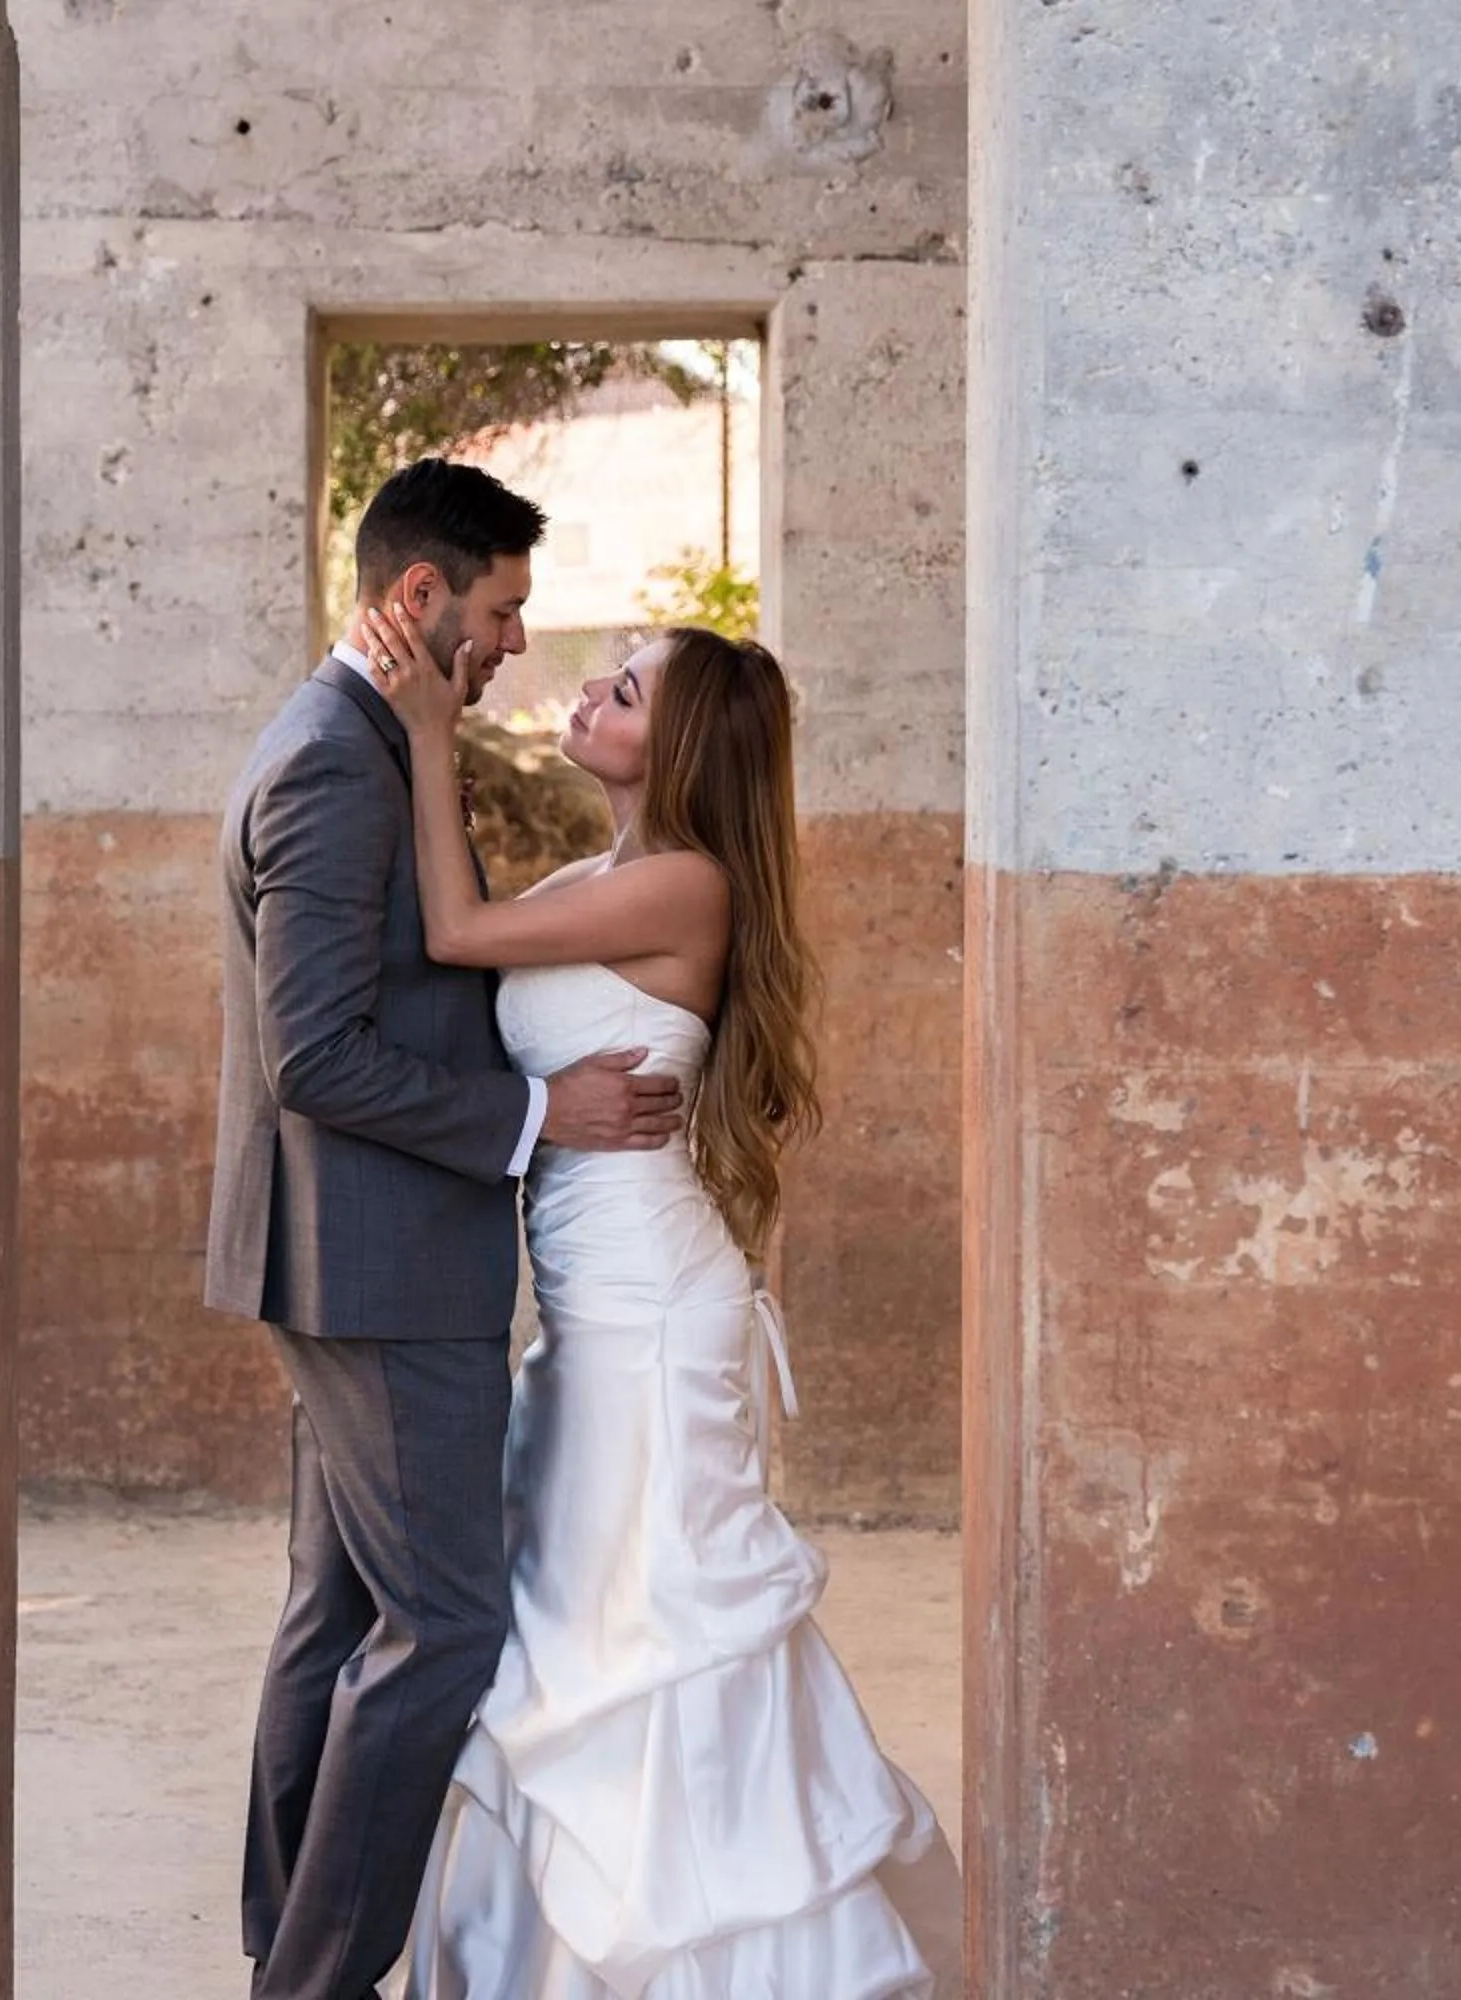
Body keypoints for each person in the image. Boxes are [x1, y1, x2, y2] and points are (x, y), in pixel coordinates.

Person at [353, 589, 955, 1998]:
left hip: (651, 1309)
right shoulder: (591, 877)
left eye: (624, 694)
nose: (588, 695)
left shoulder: (686, 883)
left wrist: (430, 729)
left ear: (678, 757)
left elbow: (452, 930)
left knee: (652, 1621)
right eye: (608, 680)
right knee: (573, 1616)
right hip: (581, 1316)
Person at [204, 458, 688, 2000]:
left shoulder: (355, 736)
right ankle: (318, 1979)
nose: (515, 644)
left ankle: (281, 1949)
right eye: (501, 612)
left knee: (336, 1615)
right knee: (448, 1629)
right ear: (420, 599)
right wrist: (541, 1125)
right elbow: (316, 1053)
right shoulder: (340, 764)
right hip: (384, 1261)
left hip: (355, 1250)